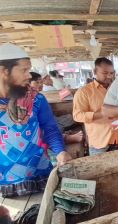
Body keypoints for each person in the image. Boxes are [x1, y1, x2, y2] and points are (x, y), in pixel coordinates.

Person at [0, 43, 71, 197]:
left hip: (41, 175)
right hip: (4, 184)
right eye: (24, 70)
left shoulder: (37, 99)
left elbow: (49, 128)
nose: (29, 75)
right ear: (4, 71)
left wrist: (60, 151)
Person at [73, 58, 118, 155]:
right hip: (99, 142)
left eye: (112, 73)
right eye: (105, 73)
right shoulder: (84, 92)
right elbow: (77, 115)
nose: (109, 76)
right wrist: (102, 114)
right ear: (95, 72)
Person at [30, 72, 83, 144]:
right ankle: (66, 138)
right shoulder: (29, 99)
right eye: (37, 82)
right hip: (41, 127)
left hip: (51, 119)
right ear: (28, 84)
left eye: (41, 82)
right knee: (54, 127)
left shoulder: (40, 96)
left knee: (70, 117)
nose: (40, 84)